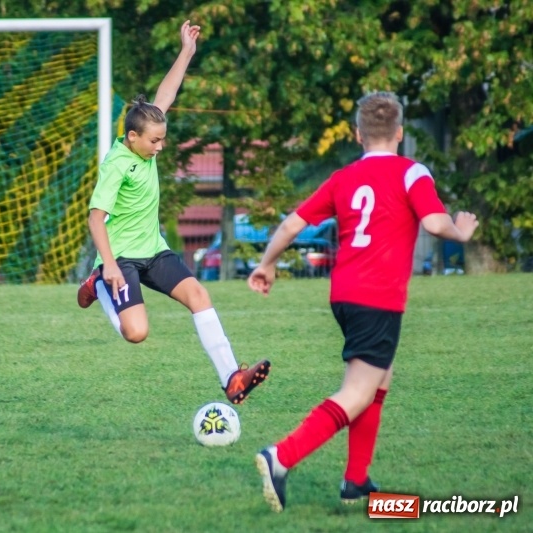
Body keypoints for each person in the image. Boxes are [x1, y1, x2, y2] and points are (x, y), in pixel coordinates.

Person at [248, 91, 479, 512]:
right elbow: (433, 221)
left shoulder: (342, 178)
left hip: (345, 294)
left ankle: (356, 481)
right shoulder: (412, 172)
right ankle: (280, 457)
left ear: (358, 134)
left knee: (380, 378)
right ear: (401, 133)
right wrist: (460, 232)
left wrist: (267, 264)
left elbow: (291, 224)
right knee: (356, 392)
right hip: (378, 298)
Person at [76, 21, 270, 405]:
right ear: (133, 138)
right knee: (136, 332)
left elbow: (165, 93)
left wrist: (186, 52)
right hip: (121, 258)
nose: (161, 147)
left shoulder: (145, 131)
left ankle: (232, 378)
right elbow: (95, 217)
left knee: (199, 294)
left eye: (162, 138)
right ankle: (98, 284)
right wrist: (110, 266)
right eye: (155, 141)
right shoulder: (117, 164)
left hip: (154, 250)